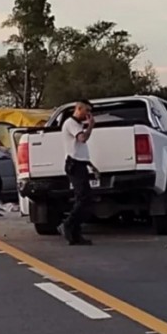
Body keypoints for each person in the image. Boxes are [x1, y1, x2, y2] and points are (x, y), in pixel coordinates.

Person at [58, 100, 98, 246]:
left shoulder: (78, 125)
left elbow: (79, 150)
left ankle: (75, 233)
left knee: (86, 200)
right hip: (74, 165)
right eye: (87, 110)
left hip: (80, 164)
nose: (88, 114)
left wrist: (91, 165)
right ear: (78, 108)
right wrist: (91, 125)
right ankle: (68, 225)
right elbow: (82, 139)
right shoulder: (71, 123)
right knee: (83, 199)